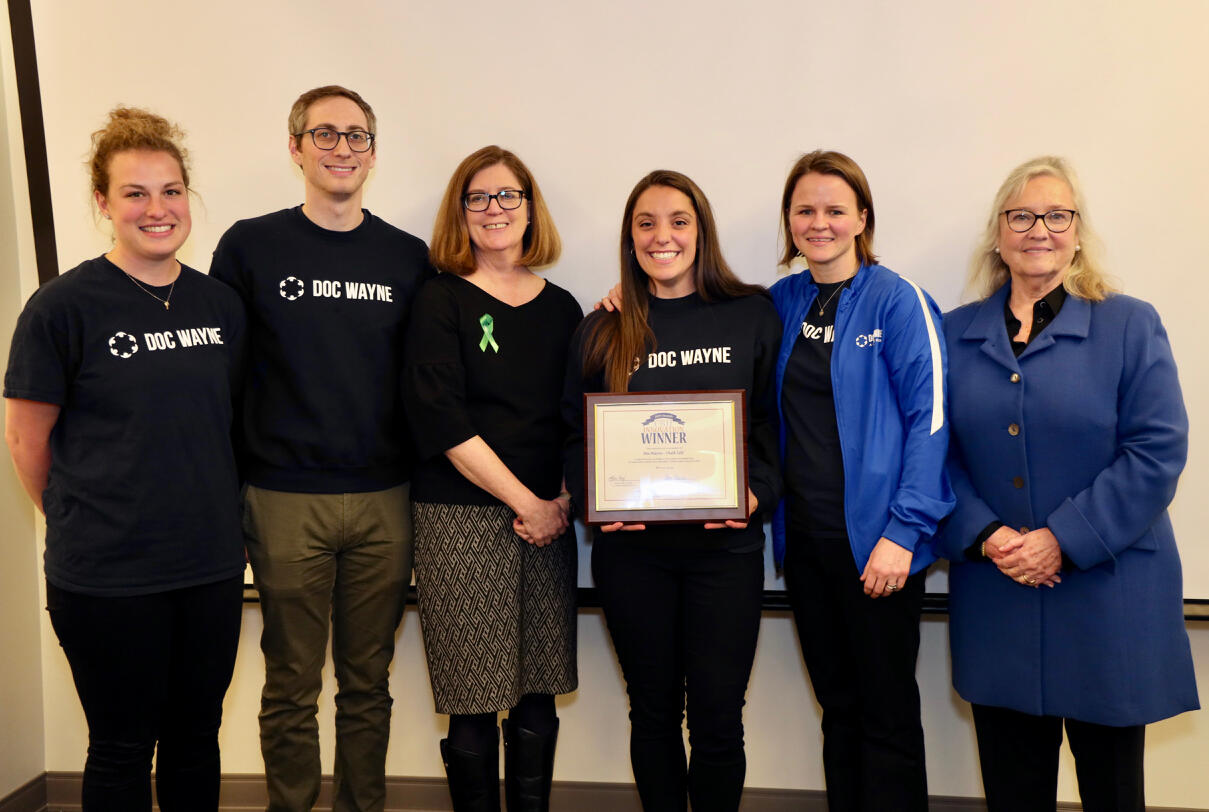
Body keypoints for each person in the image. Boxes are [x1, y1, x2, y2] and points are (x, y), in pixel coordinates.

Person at [937, 156, 1198, 812]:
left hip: (1105, 598)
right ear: (997, 234)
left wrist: (1062, 538)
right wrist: (988, 535)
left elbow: (1155, 449)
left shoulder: (1128, 325)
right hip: (997, 597)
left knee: (1112, 793)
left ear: (1077, 232)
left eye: (1056, 215)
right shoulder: (951, 333)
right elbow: (931, 458)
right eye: (1020, 215)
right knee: (1012, 793)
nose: (1038, 229)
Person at [3, 107, 245, 810]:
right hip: (107, 577)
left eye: (170, 190)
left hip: (208, 567)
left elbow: (220, 426)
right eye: (135, 193)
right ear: (102, 203)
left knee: (197, 736)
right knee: (121, 746)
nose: (156, 208)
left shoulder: (220, 305)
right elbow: (26, 441)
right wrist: (84, 519)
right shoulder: (61, 309)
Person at [209, 86, 432, 812]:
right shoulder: (248, 245)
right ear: (296, 147)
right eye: (325, 134)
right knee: (291, 681)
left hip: (383, 498)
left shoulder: (407, 256)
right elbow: (222, 375)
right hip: (281, 497)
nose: (342, 148)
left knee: (368, 681)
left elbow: (427, 378)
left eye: (357, 136)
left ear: (374, 151)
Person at [563, 170, 781, 812]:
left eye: (678, 221)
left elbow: (774, 426)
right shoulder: (603, 327)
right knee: (653, 713)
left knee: (718, 719)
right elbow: (571, 434)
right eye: (646, 223)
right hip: (634, 558)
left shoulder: (750, 313)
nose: (663, 236)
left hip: (726, 555)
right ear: (630, 240)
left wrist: (755, 494)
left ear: (701, 231)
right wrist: (594, 501)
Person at [767, 150, 952, 812]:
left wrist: (903, 533)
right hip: (809, 548)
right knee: (838, 711)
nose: (819, 223)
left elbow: (930, 424)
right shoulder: (779, 303)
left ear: (861, 218)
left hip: (878, 550)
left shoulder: (896, 301)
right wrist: (622, 301)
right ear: (789, 222)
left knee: (886, 716)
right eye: (804, 210)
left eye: (834, 210)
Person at [403, 145, 581, 812]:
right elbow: (440, 418)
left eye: (507, 195)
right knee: (474, 701)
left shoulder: (563, 308)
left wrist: (559, 500)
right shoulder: (439, 301)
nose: (493, 209)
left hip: (548, 521)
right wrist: (528, 503)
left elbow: (576, 415)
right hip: (460, 519)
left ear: (531, 209)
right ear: (460, 212)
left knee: (536, 695)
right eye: (477, 198)